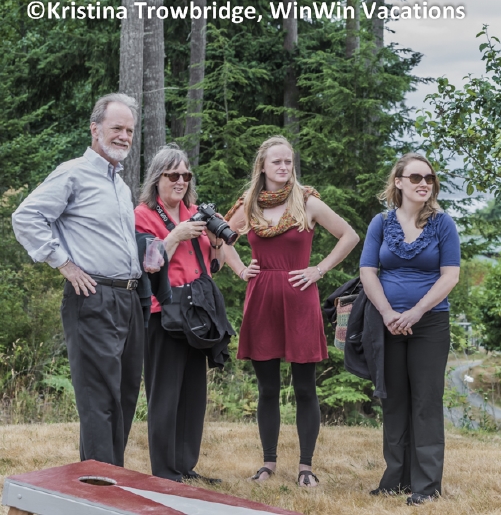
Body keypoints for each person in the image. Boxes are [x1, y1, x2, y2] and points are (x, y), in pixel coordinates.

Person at [12, 93, 143, 467]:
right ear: (95, 129)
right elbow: (26, 217)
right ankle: (101, 488)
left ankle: (108, 478)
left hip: (128, 299)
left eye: (129, 130)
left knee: (125, 394)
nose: (124, 136)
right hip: (92, 296)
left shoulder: (120, 185)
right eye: (116, 128)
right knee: (98, 398)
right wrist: (64, 264)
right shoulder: (73, 173)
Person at [223, 136, 359, 487]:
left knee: (305, 388)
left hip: (300, 298)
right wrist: (241, 269)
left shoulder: (307, 201)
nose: (284, 167)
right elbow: (219, 239)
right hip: (261, 298)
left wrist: (319, 270)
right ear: (263, 167)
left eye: (288, 161)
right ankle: (268, 463)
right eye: (277, 162)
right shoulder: (249, 205)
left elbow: (349, 235)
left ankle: (305, 467)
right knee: (267, 389)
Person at [359, 152, 460, 506]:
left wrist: (416, 312)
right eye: (416, 177)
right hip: (387, 323)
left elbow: (450, 276)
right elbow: (367, 271)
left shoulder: (443, 224)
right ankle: (395, 479)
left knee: (426, 403)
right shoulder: (380, 223)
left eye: (429, 178)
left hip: (430, 323)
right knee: (394, 401)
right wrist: (387, 312)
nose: (424, 184)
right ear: (398, 182)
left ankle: (427, 486)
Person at [134, 144, 229, 483]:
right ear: (156, 178)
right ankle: (165, 470)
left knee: (192, 394)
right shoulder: (144, 215)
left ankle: (185, 466)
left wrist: (217, 240)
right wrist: (175, 235)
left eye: (186, 175)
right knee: (165, 394)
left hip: (195, 313)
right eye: (173, 174)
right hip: (162, 313)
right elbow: (148, 264)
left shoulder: (195, 212)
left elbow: (213, 267)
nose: (180, 181)